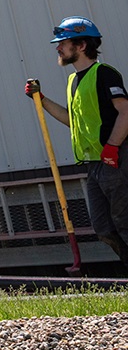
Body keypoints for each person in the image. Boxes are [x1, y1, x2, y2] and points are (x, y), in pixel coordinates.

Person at [25, 16, 128, 264]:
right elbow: (74, 121)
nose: (58, 48)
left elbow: (125, 111)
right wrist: (41, 99)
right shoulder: (73, 81)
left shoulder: (104, 74)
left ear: (82, 46)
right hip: (94, 165)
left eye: (63, 42)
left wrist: (113, 148)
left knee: (125, 223)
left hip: (115, 160)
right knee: (103, 228)